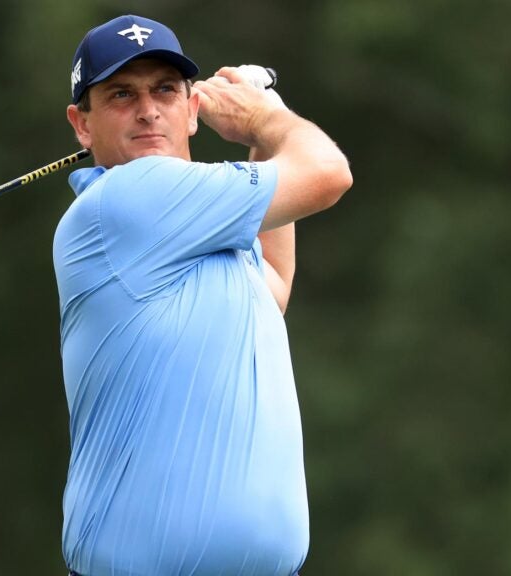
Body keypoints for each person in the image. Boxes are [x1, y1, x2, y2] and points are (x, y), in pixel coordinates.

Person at [52, 14, 352, 576]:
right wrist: (268, 117)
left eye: (165, 89)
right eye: (121, 94)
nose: (148, 109)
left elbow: (274, 287)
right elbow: (326, 173)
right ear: (81, 124)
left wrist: (263, 135)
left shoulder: (196, 225)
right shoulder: (130, 199)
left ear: (192, 110)